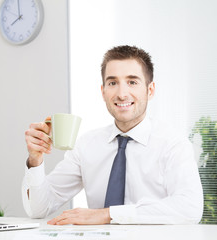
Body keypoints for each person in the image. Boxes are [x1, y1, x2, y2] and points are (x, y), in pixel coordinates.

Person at [23, 45, 203, 225]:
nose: (122, 94)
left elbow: (190, 208)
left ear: (150, 90)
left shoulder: (173, 144)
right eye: (112, 83)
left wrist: (107, 214)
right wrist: (35, 160)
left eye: (132, 82)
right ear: (103, 91)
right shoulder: (86, 145)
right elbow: (38, 209)